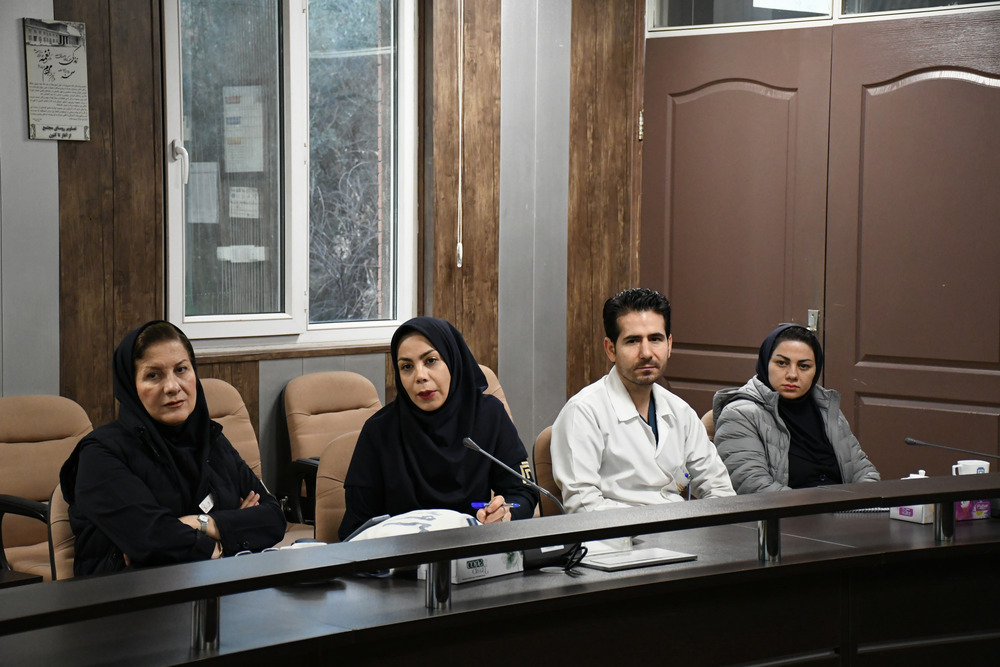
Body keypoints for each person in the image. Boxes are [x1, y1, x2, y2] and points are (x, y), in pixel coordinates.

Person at [59, 320, 286, 576]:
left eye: (181, 370)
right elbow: (152, 540)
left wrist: (201, 523)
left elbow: (273, 519)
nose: (172, 387)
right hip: (129, 595)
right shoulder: (100, 454)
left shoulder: (210, 440)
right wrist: (229, 538)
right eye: (153, 375)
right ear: (130, 385)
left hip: (218, 587)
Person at [338, 317, 539, 540]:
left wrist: (505, 513)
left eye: (431, 361)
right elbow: (357, 526)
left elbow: (523, 492)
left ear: (452, 360)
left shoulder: (488, 415)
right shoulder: (379, 432)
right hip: (402, 554)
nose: (420, 376)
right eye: (407, 367)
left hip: (472, 548)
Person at [550, 288, 734, 513]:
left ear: (669, 345)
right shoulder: (583, 412)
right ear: (611, 349)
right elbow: (584, 508)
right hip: (617, 534)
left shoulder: (681, 411)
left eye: (655, 339)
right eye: (633, 341)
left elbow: (720, 490)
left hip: (682, 531)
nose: (646, 352)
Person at [712, 324, 880, 494]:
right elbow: (754, 486)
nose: (792, 375)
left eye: (804, 366)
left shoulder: (826, 407)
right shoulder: (741, 414)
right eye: (782, 363)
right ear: (765, 362)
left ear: (816, 370)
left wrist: (861, 501)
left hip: (843, 507)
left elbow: (864, 471)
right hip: (785, 510)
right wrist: (821, 507)